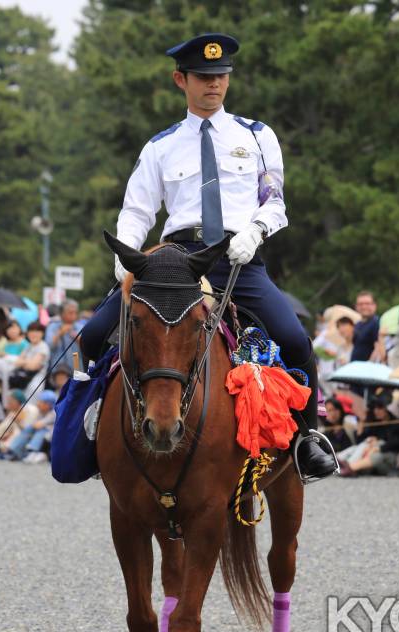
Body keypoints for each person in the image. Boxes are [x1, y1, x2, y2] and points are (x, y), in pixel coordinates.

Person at [77, 33, 337, 482]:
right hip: (175, 260)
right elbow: (137, 210)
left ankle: (307, 439)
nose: (213, 84)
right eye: (203, 77)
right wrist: (126, 258)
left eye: (220, 76)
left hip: (239, 256)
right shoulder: (160, 146)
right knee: (95, 333)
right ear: (182, 80)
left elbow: (274, 201)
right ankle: (95, 428)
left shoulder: (257, 136)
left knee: (295, 339)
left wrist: (255, 231)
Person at [5, 389, 58, 463]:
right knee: (28, 429)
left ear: (48, 404)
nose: (38, 403)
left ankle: (32, 451)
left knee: (39, 430)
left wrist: (30, 426)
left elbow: (38, 425)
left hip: (51, 438)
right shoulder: (40, 412)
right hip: (43, 435)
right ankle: (13, 450)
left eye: (40, 402)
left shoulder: (54, 413)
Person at [45, 300, 84, 374]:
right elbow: (48, 347)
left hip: (76, 365)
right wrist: (60, 333)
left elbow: (87, 348)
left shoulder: (80, 327)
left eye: (75, 312)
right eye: (70, 313)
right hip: (58, 367)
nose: (74, 315)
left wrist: (77, 338)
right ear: (61, 313)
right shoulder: (52, 326)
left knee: (75, 384)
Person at [350, 292, 380, 362]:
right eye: (360, 304)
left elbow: (378, 347)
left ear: (374, 305)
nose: (364, 307)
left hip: (367, 369)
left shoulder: (376, 322)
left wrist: (369, 365)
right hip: (355, 366)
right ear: (356, 307)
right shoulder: (357, 324)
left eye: (367, 304)